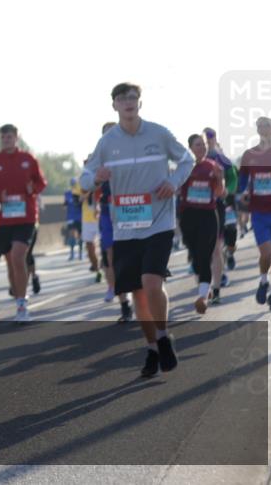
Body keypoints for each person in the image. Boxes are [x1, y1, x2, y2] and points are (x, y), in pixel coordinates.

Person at [80, 83, 193, 378]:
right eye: (122, 98)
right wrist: (96, 178)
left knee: (152, 283)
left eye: (133, 98)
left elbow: (187, 160)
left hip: (159, 222)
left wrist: (174, 183)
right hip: (126, 227)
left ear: (140, 103)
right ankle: (152, 348)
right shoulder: (107, 142)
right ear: (114, 106)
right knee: (139, 296)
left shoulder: (159, 133)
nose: (128, 102)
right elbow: (84, 179)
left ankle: (163, 336)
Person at [0, 124, 47, 322]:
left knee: (18, 256)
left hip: (26, 217)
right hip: (3, 219)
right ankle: (18, 296)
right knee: (11, 262)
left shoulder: (28, 159)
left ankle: (22, 304)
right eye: (3, 137)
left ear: (16, 138)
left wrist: (32, 188)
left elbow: (41, 183)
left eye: (10, 137)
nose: (6, 140)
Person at [237, 116, 271, 311]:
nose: (264, 128)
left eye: (267, 125)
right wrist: (242, 194)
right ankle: (263, 281)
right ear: (257, 130)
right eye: (260, 125)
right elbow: (242, 182)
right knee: (266, 253)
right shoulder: (249, 155)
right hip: (259, 212)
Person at [178, 134, 225, 314]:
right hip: (188, 215)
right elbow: (175, 188)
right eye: (198, 145)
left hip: (208, 215)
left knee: (205, 254)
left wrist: (219, 179)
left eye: (204, 144)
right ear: (190, 148)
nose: (202, 148)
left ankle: (203, 296)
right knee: (195, 255)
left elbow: (219, 192)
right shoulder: (184, 167)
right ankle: (206, 288)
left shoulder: (213, 166)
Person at [97, 122, 133, 321]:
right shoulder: (98, 158)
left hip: (132, 208)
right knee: (112, 256)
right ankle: (124, 303)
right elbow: (86, 184)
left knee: (134, 252)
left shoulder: (132, 152)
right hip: (107, 210)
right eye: (105, 134)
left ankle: (142, 289)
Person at [204, 127, 238, 285]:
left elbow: (233, 178)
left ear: (215, 138)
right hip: (208, 207)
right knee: (214, 244)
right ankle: (220, 275)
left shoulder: (222, 159)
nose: (208, 140)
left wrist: (227, 191)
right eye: (205, 137)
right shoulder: (197, 159)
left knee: (230, 235)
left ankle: (230, 253)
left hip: (226, 203)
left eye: (210, 137)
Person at [79, 167, 101, 283]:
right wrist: (86, 194)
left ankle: (106, 266)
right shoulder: (83, 179)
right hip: (87, 219)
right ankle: (97, 270)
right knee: (89, 247)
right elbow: (79, 198)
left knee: (106, 246)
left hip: (101, 217)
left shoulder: (103, 177)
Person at [65, 178, 83, 260]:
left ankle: (80, 254)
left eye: (74, 184)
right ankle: (72, 254)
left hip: (79, 217)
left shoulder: (80, 193)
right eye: (72, 184)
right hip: (71, 217)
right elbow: (65, 204)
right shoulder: (67, 193)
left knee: (80, 236)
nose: (73, 185)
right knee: (71, 235)